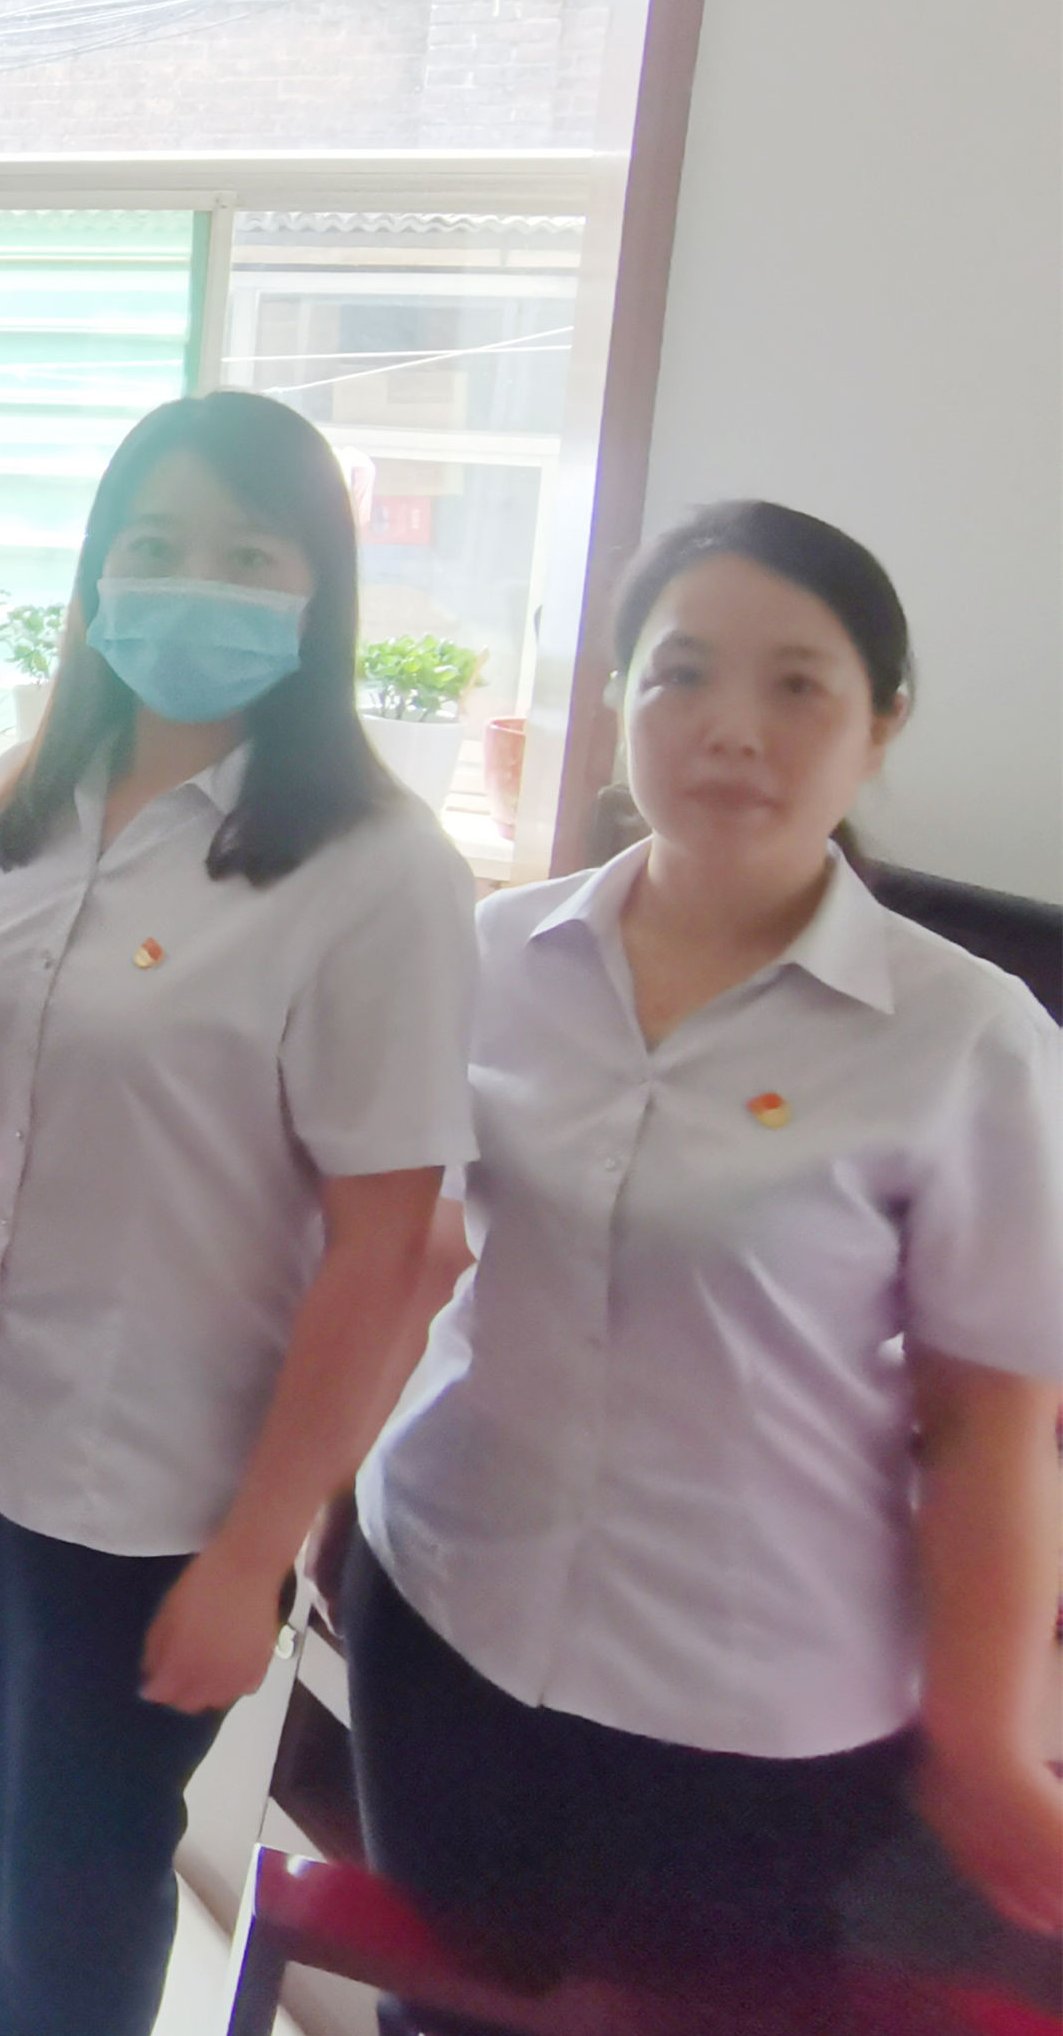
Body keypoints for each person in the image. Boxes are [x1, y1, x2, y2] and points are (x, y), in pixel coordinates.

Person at [0, 389, 478, 2036]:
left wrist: (257, 1552)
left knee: (79, 1875)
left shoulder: (379, 874)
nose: (192, 586)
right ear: (93, 578)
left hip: (154, 1489)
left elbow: (391, 1246)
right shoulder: (22, 808)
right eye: (153, 546)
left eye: (248, 555)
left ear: (319, 595)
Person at [346, 502, 1063, 1962]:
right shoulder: (499, 956)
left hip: (750, 1712)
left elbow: (990, 1425)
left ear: (882, 722)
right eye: (681, 674)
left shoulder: (967, 1037)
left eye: (798, 684)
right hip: (443, 1613)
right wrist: (308, 1498)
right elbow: (418, 1260)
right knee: (448, 2027)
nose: (733, 728)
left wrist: (986, 1737)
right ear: (618, 698)